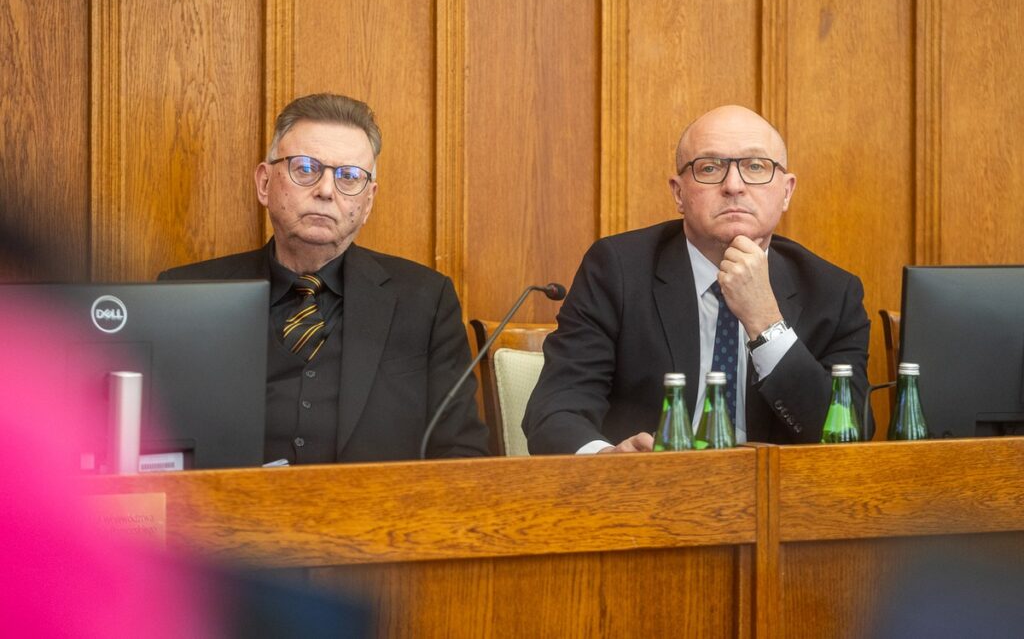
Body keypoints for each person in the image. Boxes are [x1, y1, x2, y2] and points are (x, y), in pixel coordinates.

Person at [523, 105, 870, 454]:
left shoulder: (833, 293)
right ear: (679, 193)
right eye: (710, 168)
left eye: (755, 167)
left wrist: (766, 323)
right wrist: (607, 460)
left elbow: (850, 437)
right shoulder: (618, 271)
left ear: (787, 192)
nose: (733, 186)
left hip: (779, 487)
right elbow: (555, 410)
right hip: (651, 485)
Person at [160, 93, 488, 463]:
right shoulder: (185, 296)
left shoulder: (426, 300)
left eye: (349, 176)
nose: (326, 191)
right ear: (265, 183)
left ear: (368, 202)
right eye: (305, 168)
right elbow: (153, 448)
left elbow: (462, 452)